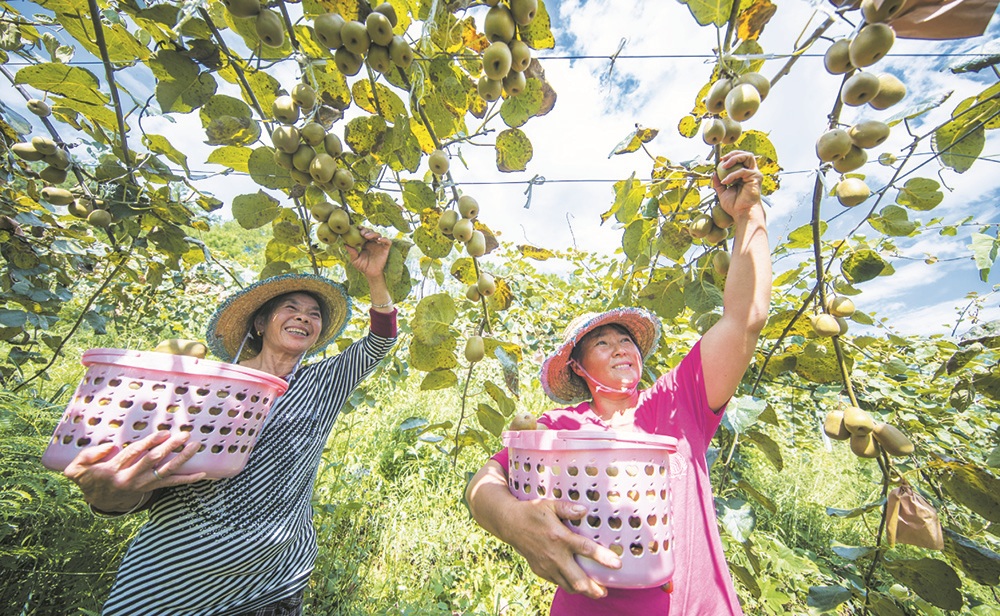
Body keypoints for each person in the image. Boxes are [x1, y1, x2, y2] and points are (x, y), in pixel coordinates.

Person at [465, 150, 771, 615]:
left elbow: (744, 320)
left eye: (626, 340)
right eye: (603, 343)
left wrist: (749, 213)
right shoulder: (559, 426)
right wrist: (512, 522)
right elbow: (484, 484)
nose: (622, 347)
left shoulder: (676, 403)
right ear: (579, 370)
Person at [63, 227, 398, 615]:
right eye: (290, 308)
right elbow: (151, 475)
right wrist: (110, 498)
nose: (303, 318)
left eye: (313, 314)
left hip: (272, 585)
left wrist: (374, 277)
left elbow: (381, 339)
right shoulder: (202, 384)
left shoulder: (322, 383)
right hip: (170, 585)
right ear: (260, 324)